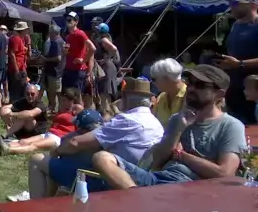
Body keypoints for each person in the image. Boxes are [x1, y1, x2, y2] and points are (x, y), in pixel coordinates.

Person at [92, 65, 245, 188]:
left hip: (189, 187)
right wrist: (177, 130)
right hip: (158, 178)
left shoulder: (231, 126)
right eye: (189, 82)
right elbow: (157, 162)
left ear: (219, 94)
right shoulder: (178, 119)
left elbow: (225, 173)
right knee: (101, 157)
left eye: (200, 85)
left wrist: (181, 155)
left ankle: (139, 199)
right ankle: (136, 196)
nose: (191, 88)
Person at [43, 77, 164, 195]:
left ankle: (38, 208)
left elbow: (75, 142)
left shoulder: (126, 120)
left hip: (111, 181)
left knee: (39, 161)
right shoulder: (157, 123)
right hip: (144, 177)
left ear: (126, 98)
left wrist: (57, 151)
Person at [8, 108, 103, 203]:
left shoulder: (75, 139)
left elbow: (56, 151)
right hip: (101, 181)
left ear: (81, 128)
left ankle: (36, 205)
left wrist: (58, 149)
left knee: (37, 160)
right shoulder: (108, 138)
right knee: (54, 163)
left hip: (80, 179)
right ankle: (48, 200)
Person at [0, 88, 83, 156]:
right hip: (49, 133)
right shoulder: (63, 110)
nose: (62, 103)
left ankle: (8, 150)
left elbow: (82, 119)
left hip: (59, 138)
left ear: (72, 101)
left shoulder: (76, 110)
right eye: (62, 100)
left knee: (33, 145)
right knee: (23, 141)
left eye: (65, 101)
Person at [215, 0, 258, 123]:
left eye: (235, 3)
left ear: (252, 4)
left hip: (254, 92)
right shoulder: (235, 26)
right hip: (235, 91)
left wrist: (240, 64)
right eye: (230, 3)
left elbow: (239, 61)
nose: (231, 6)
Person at [62, 11, 95, 92]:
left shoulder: (80, 33)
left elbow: (93, 48)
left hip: (77, 71)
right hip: (68, 69)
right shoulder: (68, 36)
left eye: (70, 20)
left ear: (76, 22)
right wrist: (65, 52)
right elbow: (69, 52)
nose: (67, 22)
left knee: (77, 97)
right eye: (66, 20)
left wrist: (83, 60)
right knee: (68, 97)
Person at [150, 58, 187, 126]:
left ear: (167, 78)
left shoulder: (189, 95)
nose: (153, 82)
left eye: (154, 79)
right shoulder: (161, 97)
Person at [92, 22, 119, 113]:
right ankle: (109, 111)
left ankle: (107, 112)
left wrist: (107, 59)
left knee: (105, 91)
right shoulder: (104, 38)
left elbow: (114, 49)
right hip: (105, 67)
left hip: (107, 67)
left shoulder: (104, 39)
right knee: (105, 91)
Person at [41, 24, 65, 111]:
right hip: (54, 71)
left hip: (56, 72)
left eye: (50, 33)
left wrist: (46, 59)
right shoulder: (59, 41)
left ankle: (58, 110)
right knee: (53, 92)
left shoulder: (57, 42)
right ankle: (54, 109)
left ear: (54, 33)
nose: (49, 35)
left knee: (56, 92)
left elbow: (58, 58)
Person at [7, 21, 30, 103]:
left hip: (20, 67)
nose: (27, 31)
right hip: (18, 69)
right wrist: (17, 70)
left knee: (19, 89)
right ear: (23, 30)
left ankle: (15, 104)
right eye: (26, 30)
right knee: (19, 89)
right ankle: (16, 105)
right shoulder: (16, 39)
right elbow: (12, 54)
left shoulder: (18, 39)